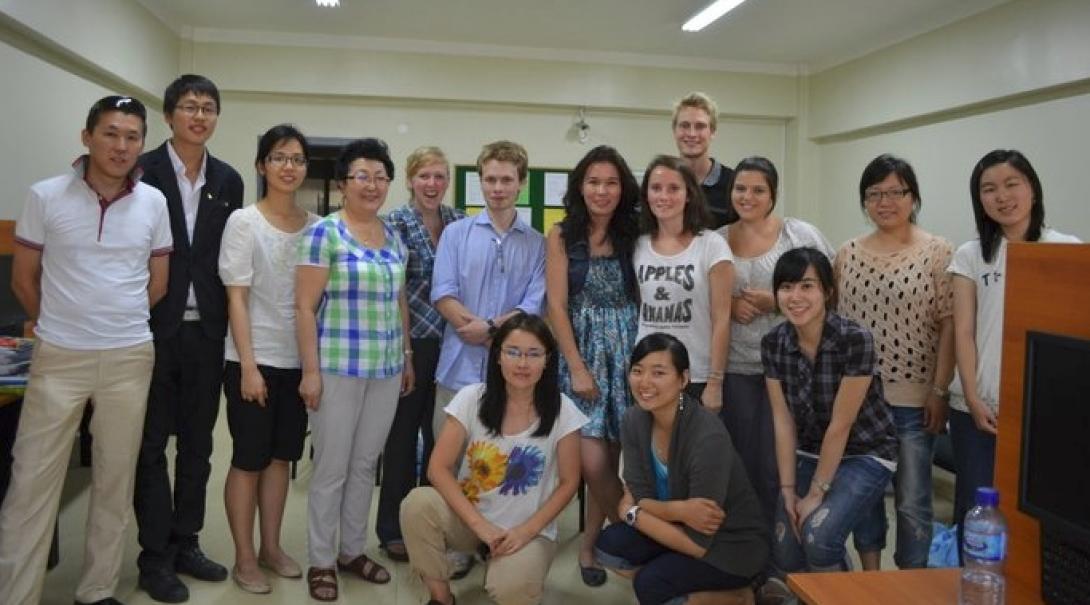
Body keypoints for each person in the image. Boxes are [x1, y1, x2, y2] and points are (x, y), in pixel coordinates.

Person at [0, 95, 171, 605]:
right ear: (87, 137)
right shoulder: (46, 196)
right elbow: (24, 281)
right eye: (111, 133)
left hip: (128, 358)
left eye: (132, 137)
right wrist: (64, 322)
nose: (121, 146)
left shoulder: (154, 202)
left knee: (115, 480)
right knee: (31, 482)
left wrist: (114, 320)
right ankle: (16, 594)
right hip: (59, 357)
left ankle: (96, 590)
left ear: (142, 144)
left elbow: (156, 285)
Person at [134, 74, 244, 603]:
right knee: (152, 445)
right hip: (153, 327)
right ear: (170, 114)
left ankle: (186, 542)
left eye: (208, 108)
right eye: (189, 106)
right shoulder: (142, 169)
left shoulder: (228, 179)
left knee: (198, 446)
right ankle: (152, 557)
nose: (199, 116)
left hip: (208, 333)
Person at [296, 137, 414, 601]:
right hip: (338, 368)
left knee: (366, 466)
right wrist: (310, 371)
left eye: (381, 177)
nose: (373, 185)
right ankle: (321, 560)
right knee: (331, 467)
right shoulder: (325, 233)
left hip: (384, 370)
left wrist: (405, 356)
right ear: (344, 183)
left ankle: (351, 550)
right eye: (362, 176)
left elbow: (399, 301)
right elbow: (304, 307)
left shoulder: (393, 237)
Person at [947, 149, 1080, 558]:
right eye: (989, 189)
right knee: (976, 513)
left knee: (1037, 517)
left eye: (1011, 184)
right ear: (979, 200)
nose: (1002, 196)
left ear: (1032, 190)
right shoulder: (972, 255)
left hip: (1042, 412)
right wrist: (970, 395)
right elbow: (963, 331)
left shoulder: (1066, 249)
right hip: (978, 408)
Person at [401, 313, 586, 605]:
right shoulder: (471, 398)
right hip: (471, 522)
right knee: (417, 504)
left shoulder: (564, 410)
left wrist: (526, 531)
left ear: (548, 359)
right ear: (497, 356)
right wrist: (480, 527)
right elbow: (438, 468)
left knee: (511, 590)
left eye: (533, 354)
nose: (522, 363)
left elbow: (569, 483)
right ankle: (441, 598)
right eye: (513, 352)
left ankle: (512, 567)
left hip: (528, 531)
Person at [835, 154, 955, 570]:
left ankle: (913, 580)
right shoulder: (847, 254)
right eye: (874, 194)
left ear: (913, 196)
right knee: (864, 497)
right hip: (858, 400)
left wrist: (939, 391)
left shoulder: (937, 251)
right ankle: (872, 579)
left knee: (913, 499)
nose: (885, 201)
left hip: (914, 401)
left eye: (895, 192)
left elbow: (949, 328)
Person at [218, 124, 320, 593]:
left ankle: (271, 547)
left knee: (281, 459)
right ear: (262, 165)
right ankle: (244, 557)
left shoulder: (317, 226)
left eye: (297, 159)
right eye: (279, 157)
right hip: (250, 360)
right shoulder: (244, 221)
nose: (289, 167)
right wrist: (249, 365)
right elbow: (236, 298)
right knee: (248, 459)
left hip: (297, 362)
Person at [594, 333, 768, 605]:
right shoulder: (634, 420)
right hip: (674, 523)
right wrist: (673, 511)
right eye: (637, 371)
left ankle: (740, 596)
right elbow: (638, 494)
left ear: (684, 379)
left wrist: (632, 511)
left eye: (659, 372)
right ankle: (686, 583)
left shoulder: (708, 438)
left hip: (731, 543)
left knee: (650, 585)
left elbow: (698, 543)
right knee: (609, 547)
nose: (645, 382)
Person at [762, 247, 897, 574]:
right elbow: (782, 421)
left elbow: (841, 424)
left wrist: (816, 493)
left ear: (827, 291)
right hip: (809, 451)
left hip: (866, 452)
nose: (795, 296)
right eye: (786, 287)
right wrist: (789, 491)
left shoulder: (854, 339)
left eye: (807, 286)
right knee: (786, 550)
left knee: (818, 537)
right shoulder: (773, 342)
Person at [717, 156, 833, 534]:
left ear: (773, 195)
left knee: (780, 466)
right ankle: (750, 548)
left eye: (758, 190)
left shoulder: (798, 235)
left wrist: (776, 301)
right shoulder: (716, 239)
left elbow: (829, 291)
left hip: (789, 369)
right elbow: (704, 298)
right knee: (743, 465)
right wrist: (730, 305)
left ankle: (785, 547)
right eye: (740, 188)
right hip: (736, 368)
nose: (747, 196)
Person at [545, 145, 640, 586]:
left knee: (615, 453)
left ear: (623, 189)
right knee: (591, 461)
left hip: (626, 354)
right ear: (580, 186)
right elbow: (557, 306)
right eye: (594, 181)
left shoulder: (635, 234)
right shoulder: (563, 234)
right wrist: (577, 367)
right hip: (581, 352)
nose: (602, 191)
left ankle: (590, 548)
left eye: (612, 182)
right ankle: (632, 531)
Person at [376, 146, 465, 563]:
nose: (432, 184)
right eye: (424, 176)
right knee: (400, 437)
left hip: (452, 344)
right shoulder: (393, 223)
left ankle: (436, 524)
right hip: (410, 343)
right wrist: (407, 354)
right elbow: (395, 291)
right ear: (410, 180)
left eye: (439, 176)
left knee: (441, 439)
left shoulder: (458, 222)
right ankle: (393, 529)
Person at [431, 140, 546, 438]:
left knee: (502, 465)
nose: (498, 188)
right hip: (457, 369)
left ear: (521, 182)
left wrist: (492, 332)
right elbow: (443, 293)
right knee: (449, 461)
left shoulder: (537, 245)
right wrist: (476, 329)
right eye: (490, 179)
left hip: (512, 374)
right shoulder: (455, 235)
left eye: (507, 180)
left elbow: (533, 304)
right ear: (480, 181)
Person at [633, 155, 733, 411]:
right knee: (652, 450)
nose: (663, 196)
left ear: (689, 194)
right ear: (646, 195)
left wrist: (715, 381)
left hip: (695, 376)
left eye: (673, 188)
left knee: (693, 450)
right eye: (656, 188)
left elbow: (722, 319)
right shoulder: (637, 245)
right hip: (647, 374)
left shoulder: (712, 245)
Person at [672, 92, 735, 228]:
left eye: (700, 126)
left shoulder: (734, 184)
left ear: (712, 132)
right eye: (684, 125)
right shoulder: (661, 183)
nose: (692, 134)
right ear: (674, 131)